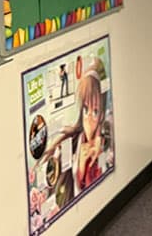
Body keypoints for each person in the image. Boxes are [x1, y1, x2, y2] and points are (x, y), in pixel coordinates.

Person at [38, 57, 109, 193]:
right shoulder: (74, 144)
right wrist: (80, 169)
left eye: (95, 111)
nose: (88, 119)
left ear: (100, 114)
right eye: (85, 109)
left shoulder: (104, 137)